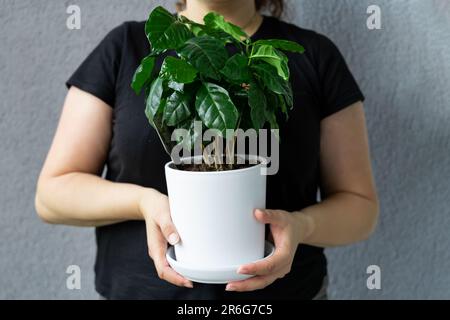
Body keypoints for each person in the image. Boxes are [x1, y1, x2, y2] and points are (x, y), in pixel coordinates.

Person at [35, 0, 379, 300]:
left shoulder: (311, 55)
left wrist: (302, 225)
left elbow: (359, 207)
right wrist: (145, 203)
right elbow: (52, 195)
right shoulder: (126, 48)